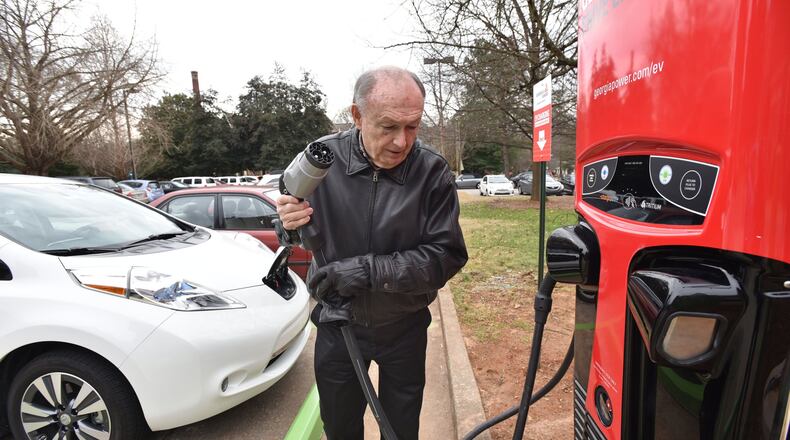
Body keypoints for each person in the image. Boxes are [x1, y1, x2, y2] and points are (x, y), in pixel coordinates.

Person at [275, 66, 468, 440]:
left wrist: (366, 271)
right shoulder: (320, 161)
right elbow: (287, 228)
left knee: (400, 429)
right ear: (357, 115)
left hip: (405, 326)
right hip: (338, 324)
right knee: (341, 428)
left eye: (413, 127)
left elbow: (446, 256)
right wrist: (287, 223)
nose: (402, 141)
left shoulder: (431, 173)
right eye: (388, 126)